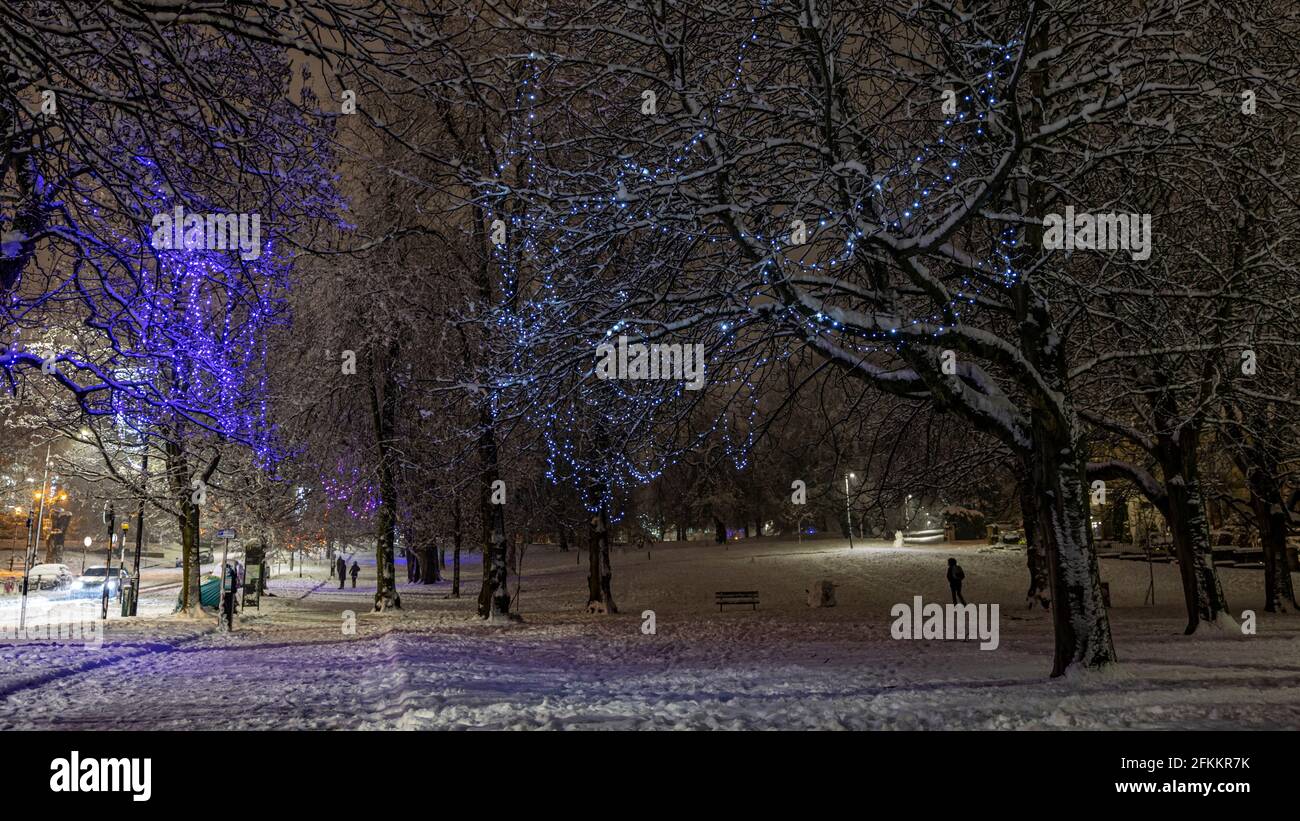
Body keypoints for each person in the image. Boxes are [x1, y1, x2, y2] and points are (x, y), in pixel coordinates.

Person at [221, 562, 239, 630]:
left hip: (225, 592)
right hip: (230, 592)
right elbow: (234, 581)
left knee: (225, 608)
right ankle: (228, 624)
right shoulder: (231, 571)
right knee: (229, 609)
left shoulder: (225, 572)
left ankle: (225, 624)